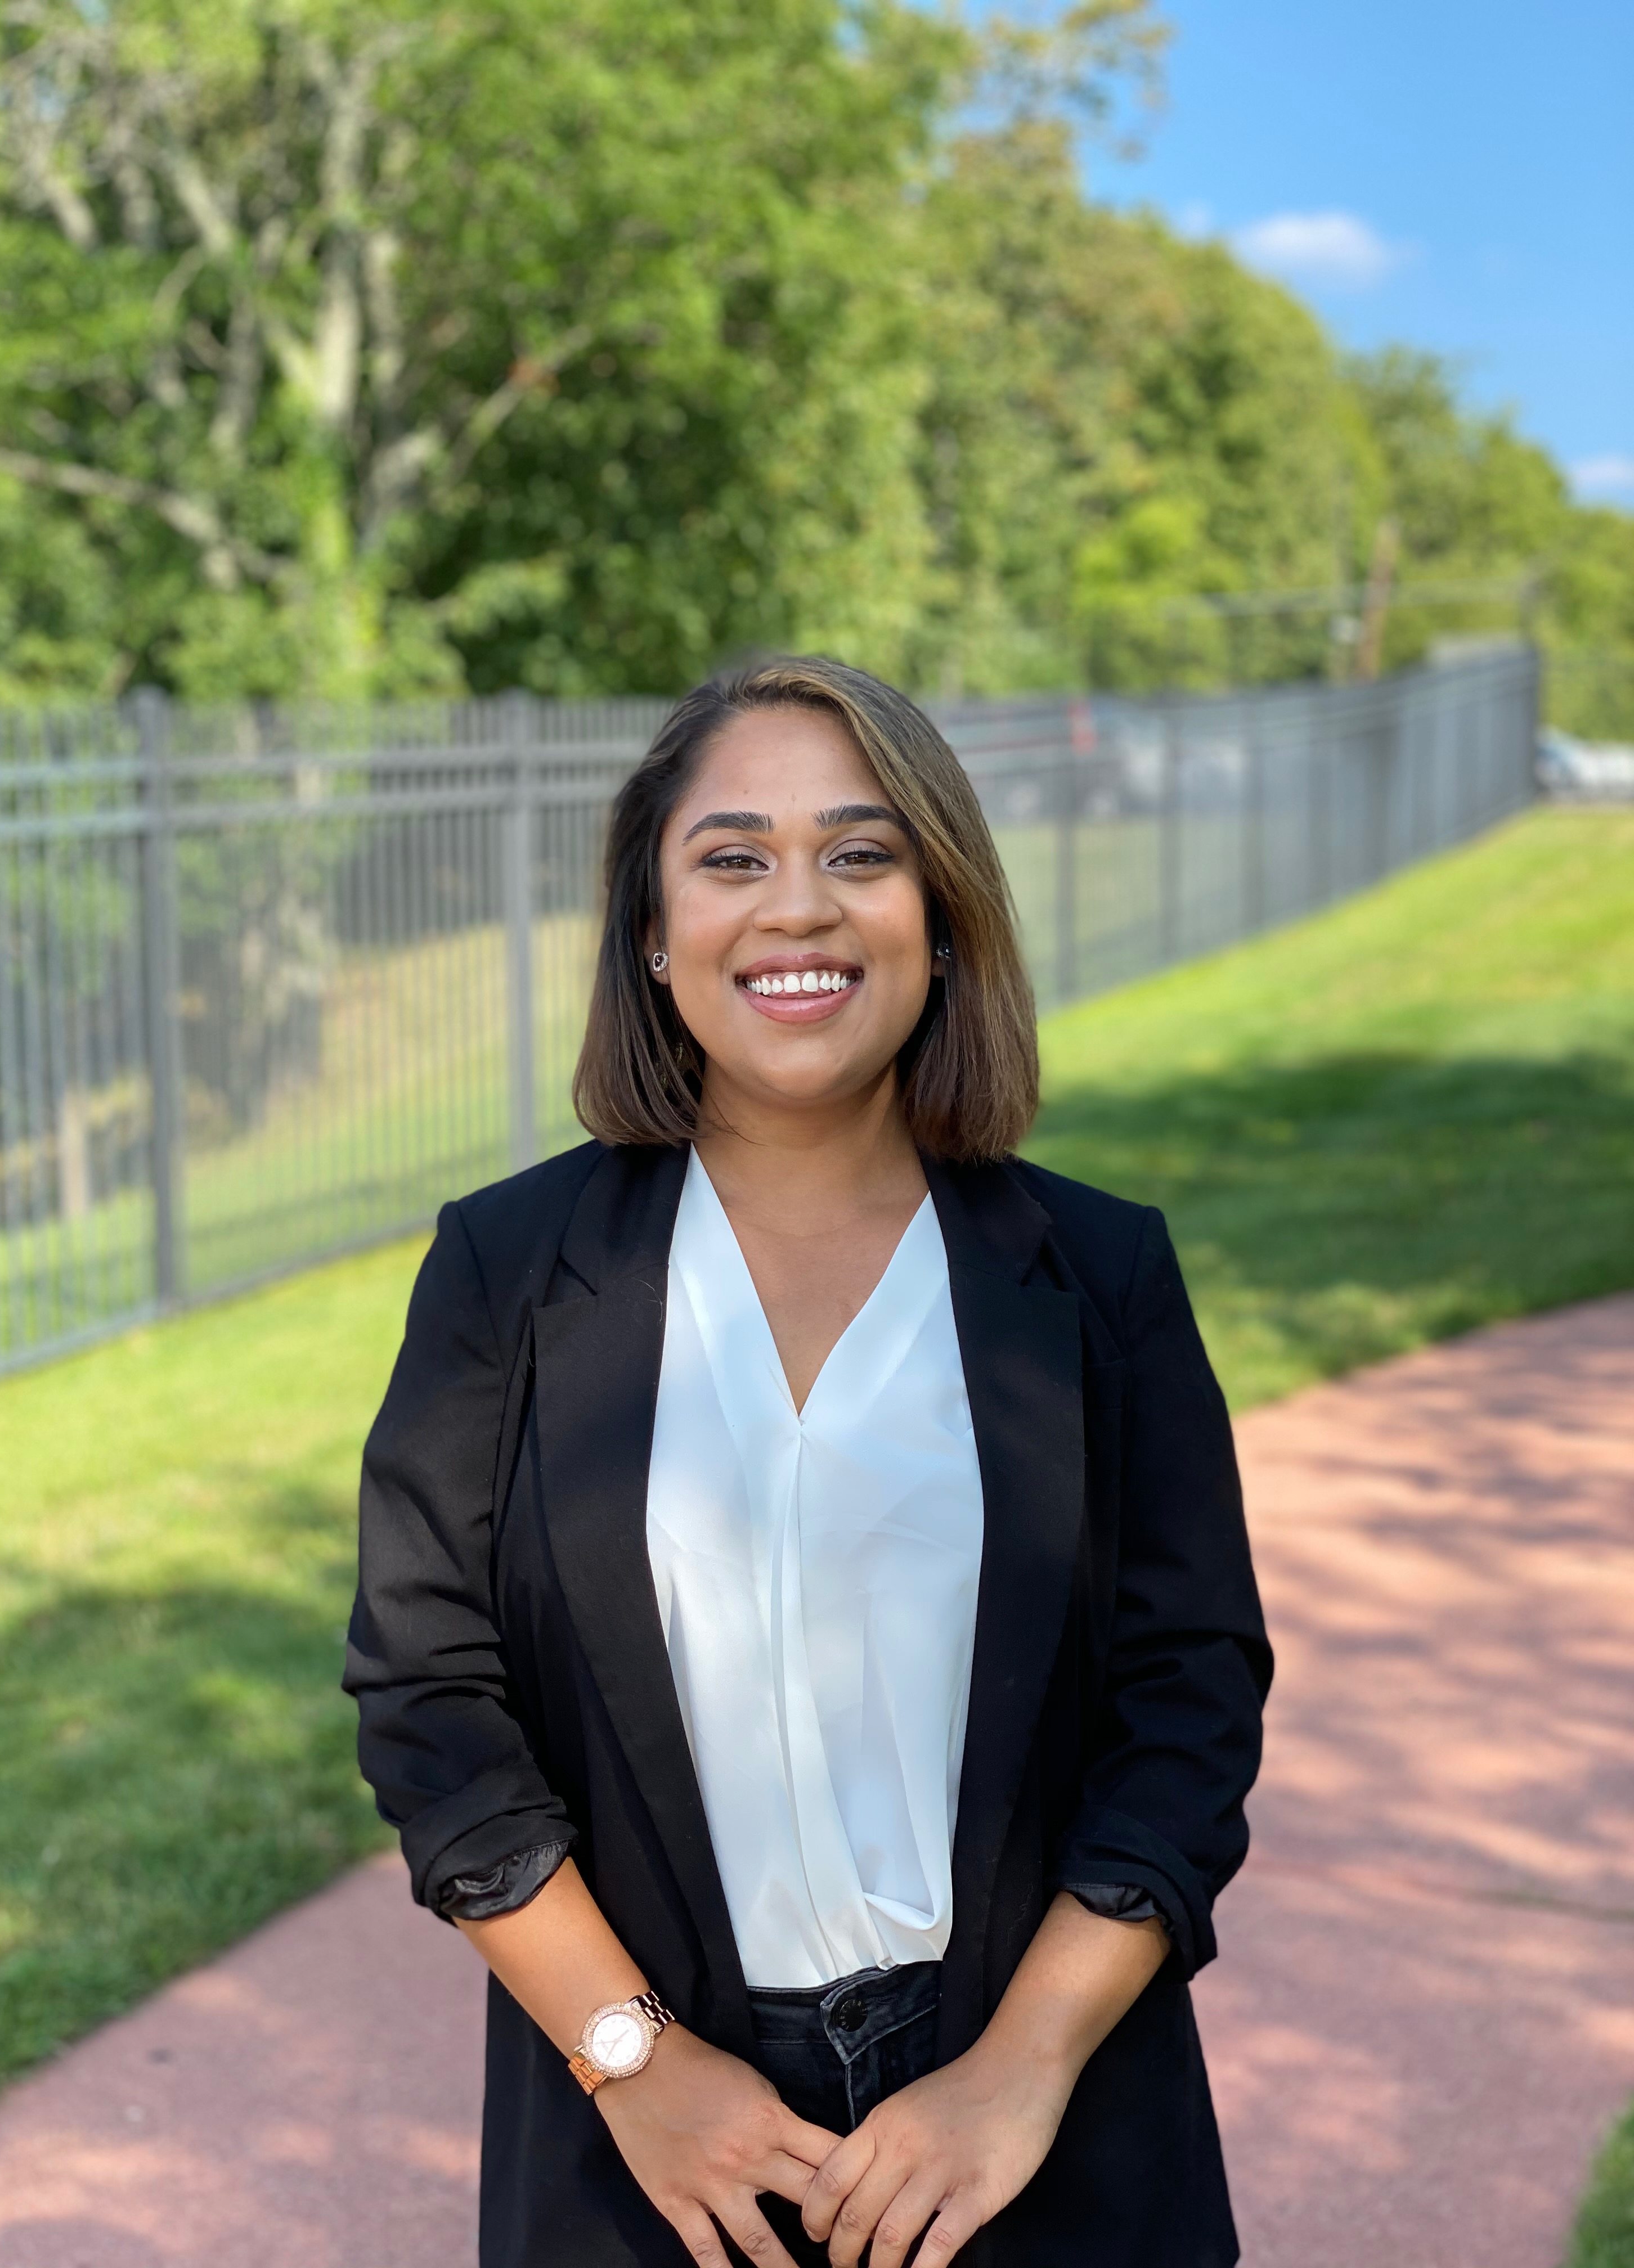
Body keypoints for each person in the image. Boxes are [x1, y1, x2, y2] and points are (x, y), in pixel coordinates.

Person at [345, 655, 1272, 2268]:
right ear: (653, 928)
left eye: (861, 852)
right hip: (657, 2147)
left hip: (1033, 2130)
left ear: (942, 914)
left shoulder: (1099, 1277)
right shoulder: (506, 1273)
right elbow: (430, 1699)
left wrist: (1023, 2068)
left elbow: (1188, 1702)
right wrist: (633, 2061)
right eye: (732, 858)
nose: (799, 908)